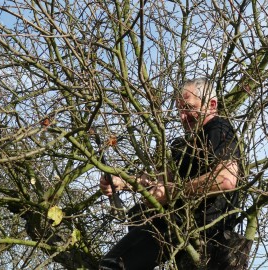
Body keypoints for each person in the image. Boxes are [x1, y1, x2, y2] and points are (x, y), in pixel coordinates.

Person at [99, 78, 242, 270]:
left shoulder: (219, 129)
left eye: (189, 108)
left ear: (212, 104)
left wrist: (173, 192)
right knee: (137, 216)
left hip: (202, 234)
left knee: (112, 265)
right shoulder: (181, 146)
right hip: (174, 233)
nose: (183, 116)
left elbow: (225, 179)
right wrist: (122, 181)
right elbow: (158, 181)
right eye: (180, 110)